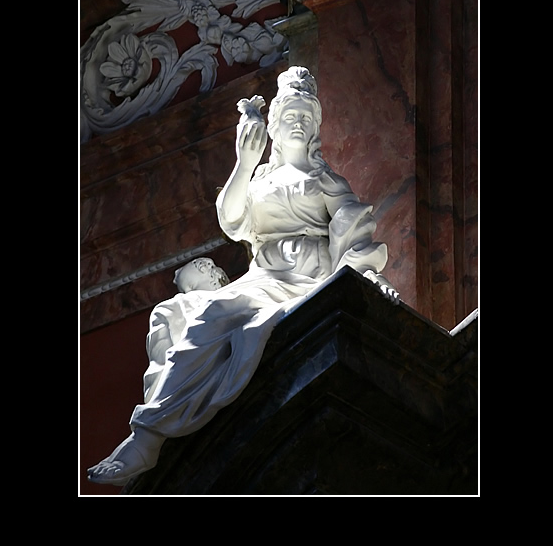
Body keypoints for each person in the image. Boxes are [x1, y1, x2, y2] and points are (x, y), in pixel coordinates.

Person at [87, 66, 397, 486]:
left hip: (309, 277)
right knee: (202, 316)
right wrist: (245, 162)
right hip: (264, 276)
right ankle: (149, 433)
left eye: (306, 116)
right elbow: (233, 219)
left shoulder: (324, 179)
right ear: (274, 125)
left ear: (315, 128)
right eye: (291, 115)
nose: (299, 122)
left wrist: (365, 274)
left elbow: (353, 226)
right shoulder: (261, 179)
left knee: (216, 315)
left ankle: (150, 434)